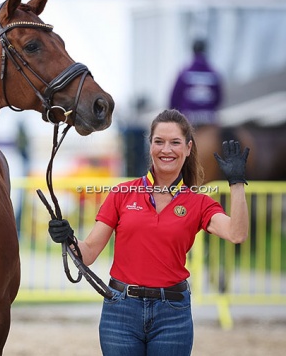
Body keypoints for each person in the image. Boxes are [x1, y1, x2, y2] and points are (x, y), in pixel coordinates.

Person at [48, 109, 249, 355]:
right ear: (150, 146)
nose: (167, 149)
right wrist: (67, 238)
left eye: (175, 142)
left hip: (172, 315)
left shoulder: (199, 202)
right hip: (120, 312)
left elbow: (237, 234)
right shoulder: (122, 193)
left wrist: (237, 184)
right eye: (159, 141)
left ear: (188, 148)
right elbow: (87, 253)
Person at [170, 39, 223, 127]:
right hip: (209, 118)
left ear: (193, 50)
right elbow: (219, 98)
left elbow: (174, 98)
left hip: (188, 118)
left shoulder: (184, 73)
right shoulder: (213, 73)